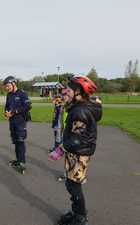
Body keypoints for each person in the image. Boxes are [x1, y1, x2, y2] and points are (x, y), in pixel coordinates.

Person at [57, 76, 102, 225]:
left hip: (79, 153)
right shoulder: (79, 108)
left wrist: (62, 148)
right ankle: (77, 212)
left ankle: (81, 217)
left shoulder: (80, 111)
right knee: (71, 184)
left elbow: (77, 139)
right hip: (78, 152)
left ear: (78, 92)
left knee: (73, 185)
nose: (65, 91)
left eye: (68, 89)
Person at [3, 76, 32, 174]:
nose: (7, 88)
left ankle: (22, 163)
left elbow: (28, 106)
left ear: (13, 84)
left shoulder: (22, 93)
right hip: (12, 121)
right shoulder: (9, 95)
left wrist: (14, 112)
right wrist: (6, 112)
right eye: (6, 86)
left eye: (8, 86)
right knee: (15, 141)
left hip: (20, 121)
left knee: (20, 141)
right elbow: (7, 106)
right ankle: (18, 160)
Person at [48, 94, 65, 161]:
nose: (56, 99)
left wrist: (59, 103)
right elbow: (53, 101)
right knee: (56, 136)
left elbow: (61, 109)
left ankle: (59, 151)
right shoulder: (57, 105)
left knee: (58, 137)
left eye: (58, 98)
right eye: (56, 98)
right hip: (55, 123)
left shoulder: (61, 106)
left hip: (59, 125)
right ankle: (55, 148)